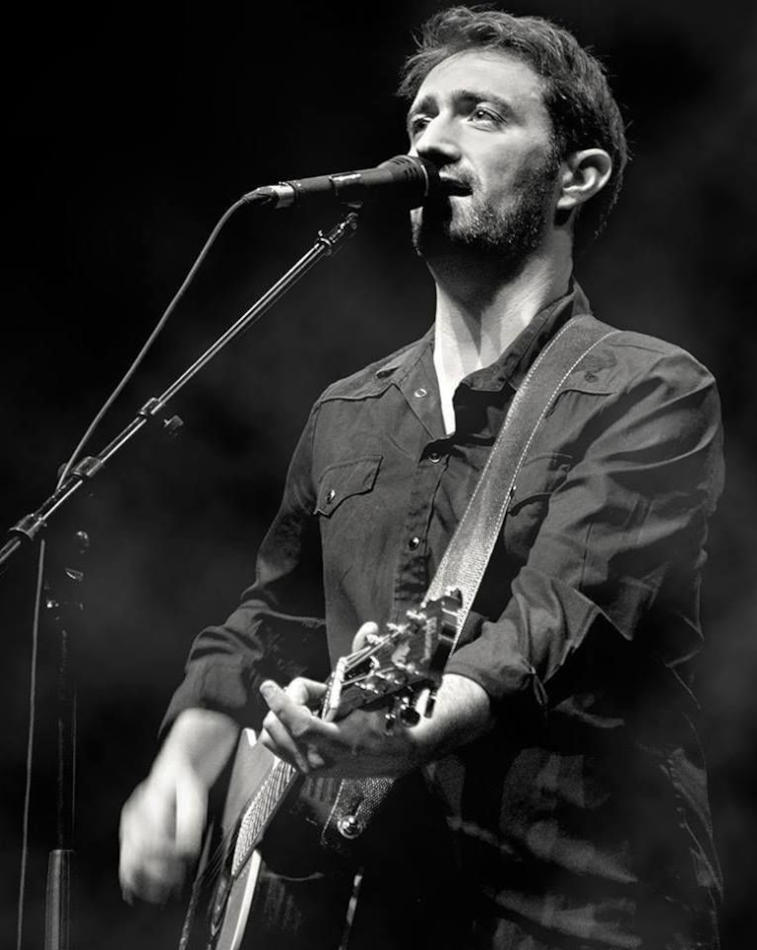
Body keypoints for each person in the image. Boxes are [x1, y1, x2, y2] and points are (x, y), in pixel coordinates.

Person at [119, 7, 724, 949]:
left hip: (578, 910)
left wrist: (412, 734)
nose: (433, 142)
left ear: (577, 177)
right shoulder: (347, 411)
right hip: (375, 916)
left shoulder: (649, 389)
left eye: (481, 114)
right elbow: (268, 623)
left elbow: (558, 614)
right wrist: (180, 774)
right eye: (421, 119)